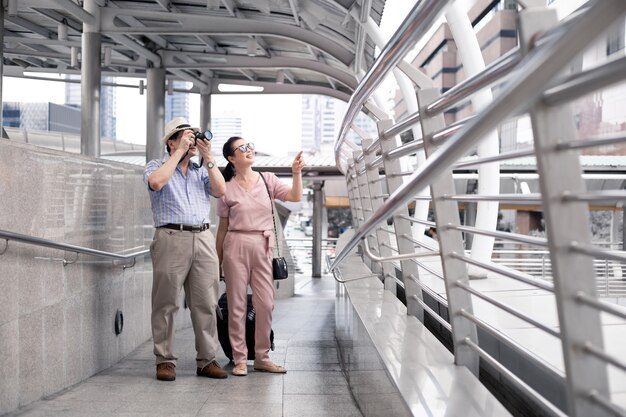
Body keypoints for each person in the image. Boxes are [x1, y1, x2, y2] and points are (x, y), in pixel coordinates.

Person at [144, 117, 228, 382]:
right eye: (184, 135)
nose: (191, 139)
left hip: (203, 237)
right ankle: (165, 360)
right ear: (170, 141)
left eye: (193, 135)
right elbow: (156, 182)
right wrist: (179, 152)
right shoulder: (156, 165)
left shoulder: (201, 170)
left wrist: (208, 156)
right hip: (170, 236)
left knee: (206, 302)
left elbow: (220, 190)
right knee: (165, 303)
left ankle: (207, 360)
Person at [216, 137, 304, 376]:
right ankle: (240, 358)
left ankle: (262, 356)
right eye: (241, 148)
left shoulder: (267, 179)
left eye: (249, 145)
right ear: (231, 158)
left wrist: (296, 173)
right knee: (237, 305)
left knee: (265, 303)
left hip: (263, 244)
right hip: (235, 245)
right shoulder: (226, 187)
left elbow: (295, 197)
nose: (248, 150)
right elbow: (222, 228)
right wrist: (218, 261)